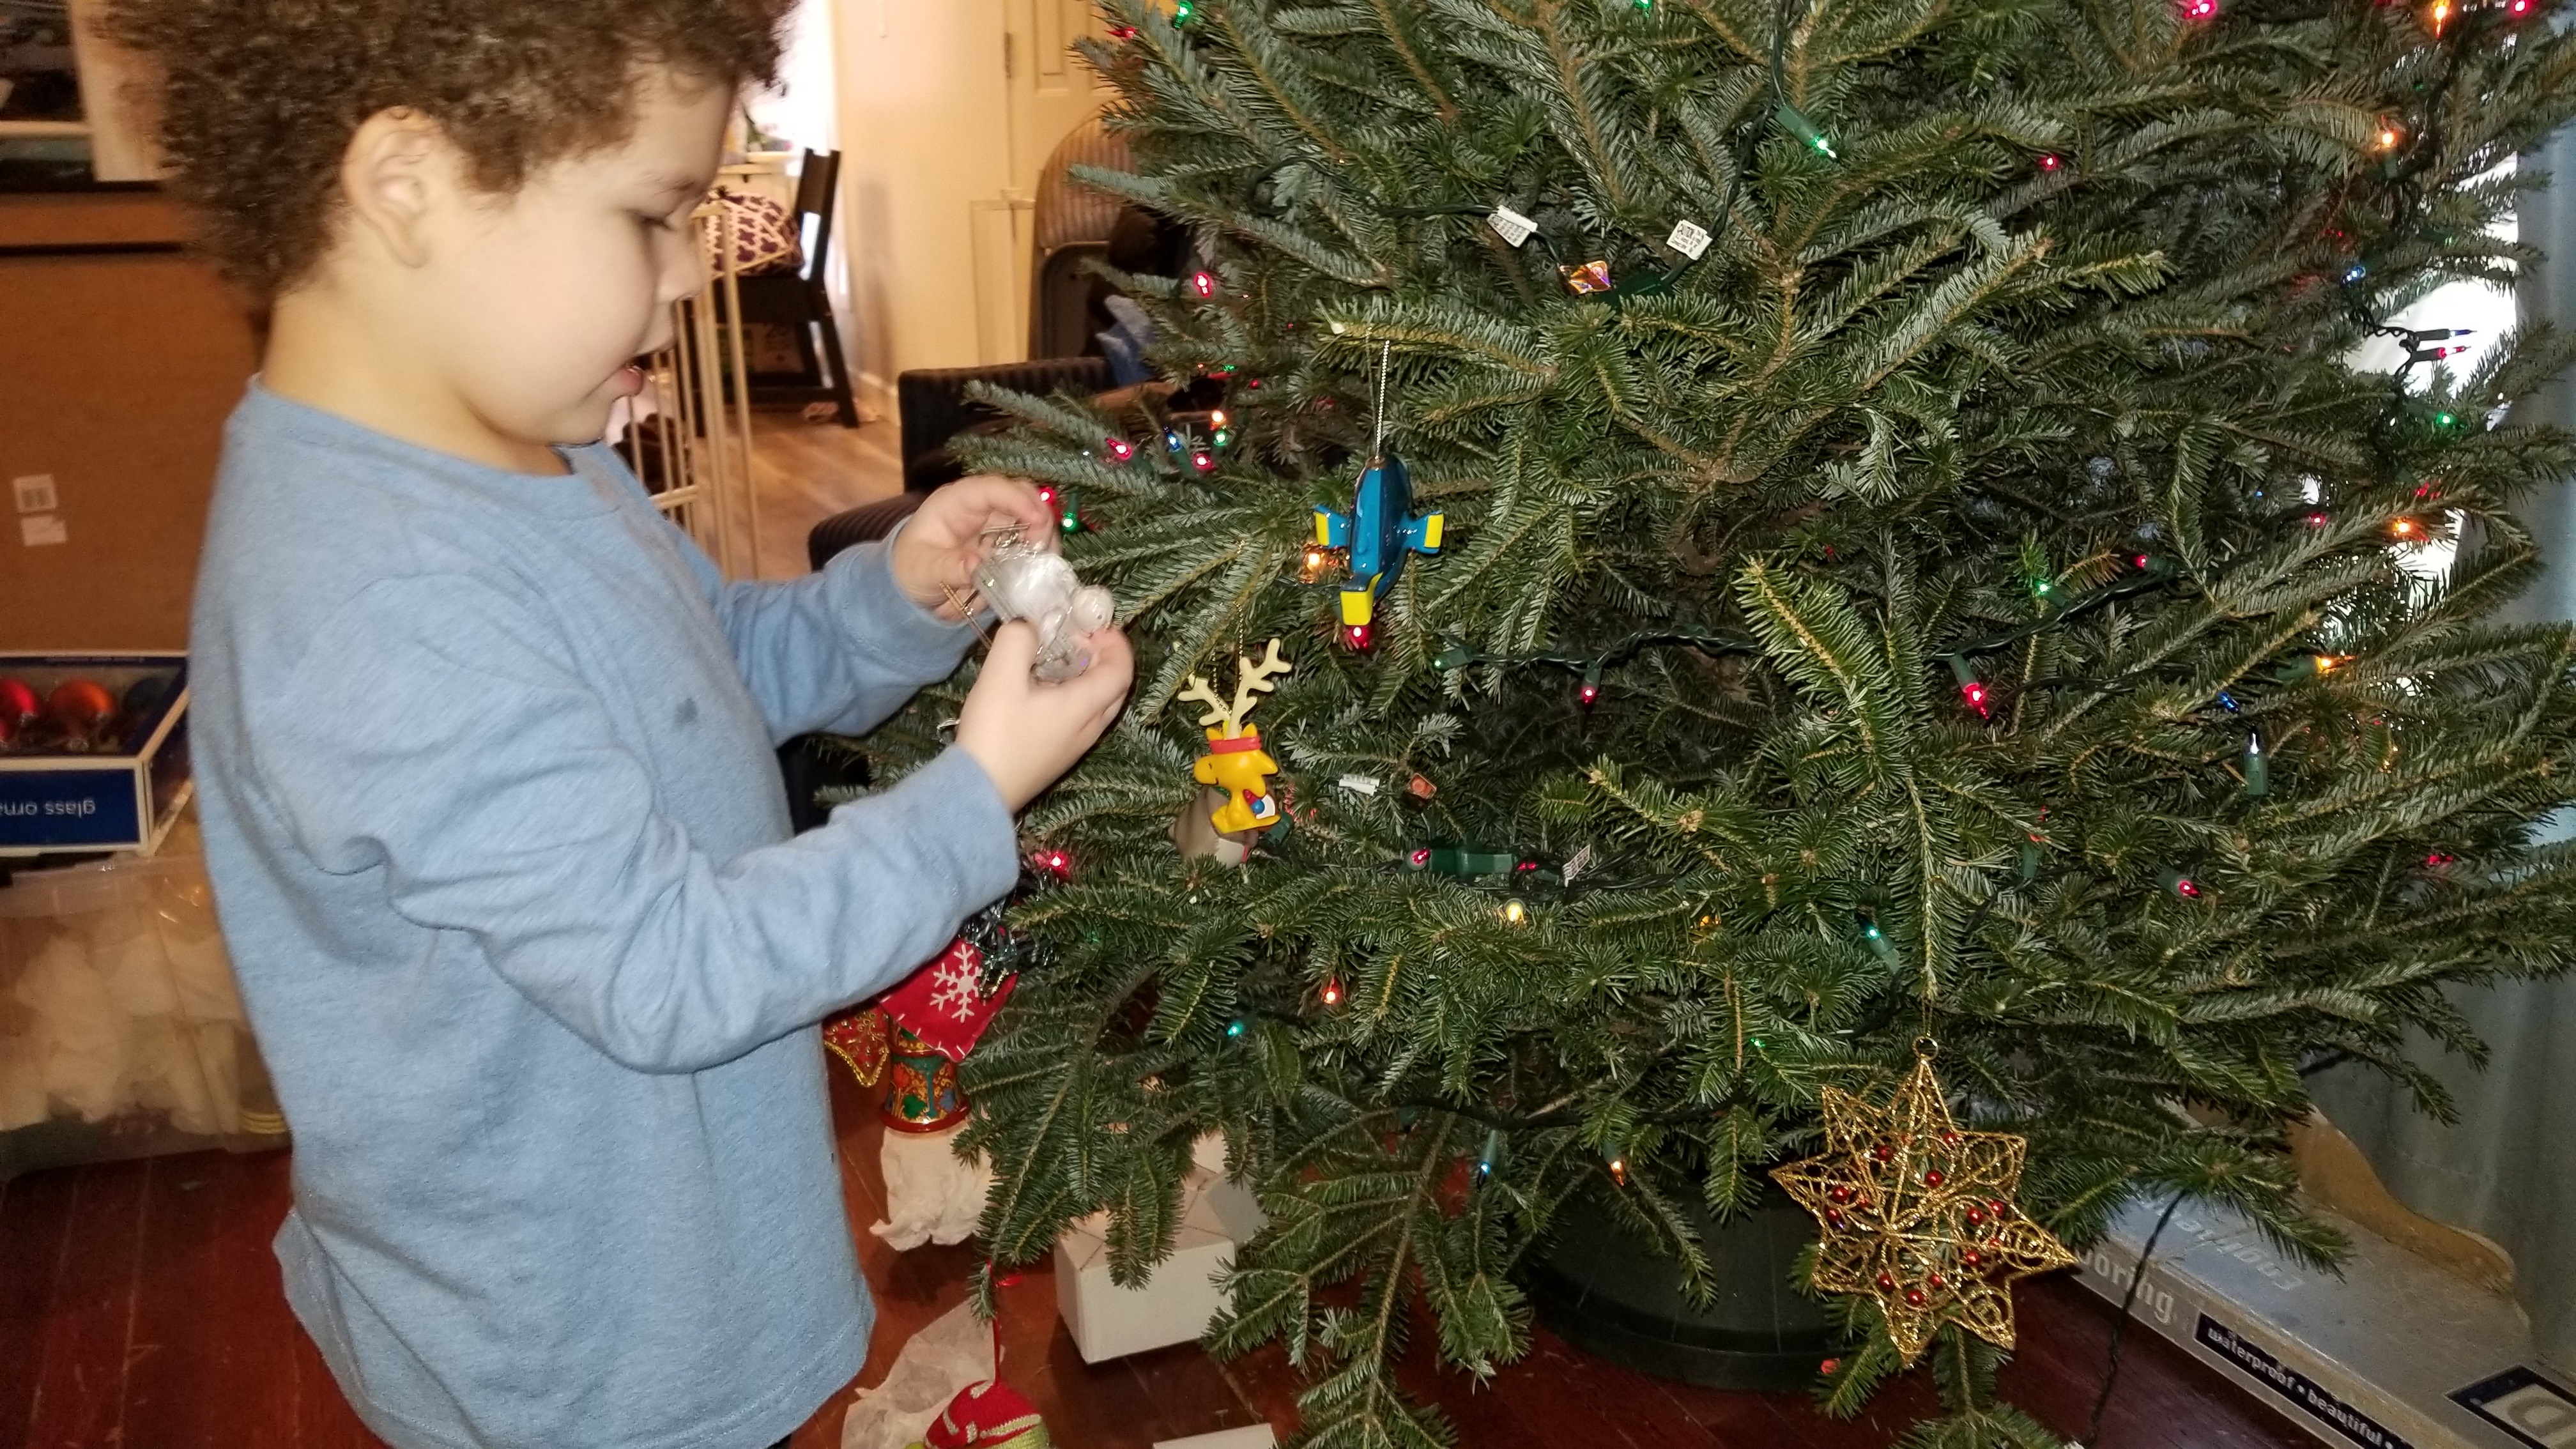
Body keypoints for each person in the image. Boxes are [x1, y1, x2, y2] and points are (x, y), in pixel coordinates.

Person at [104, 2, 1133, 1446]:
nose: (682, 281)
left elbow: (694, 670)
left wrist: (891, 604)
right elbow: (670, 968)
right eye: (652, 216)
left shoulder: (526, 456)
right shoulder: (370, 599)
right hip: (579, 1350)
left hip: (675, 1260)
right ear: (410, 185)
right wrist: (979, 795)